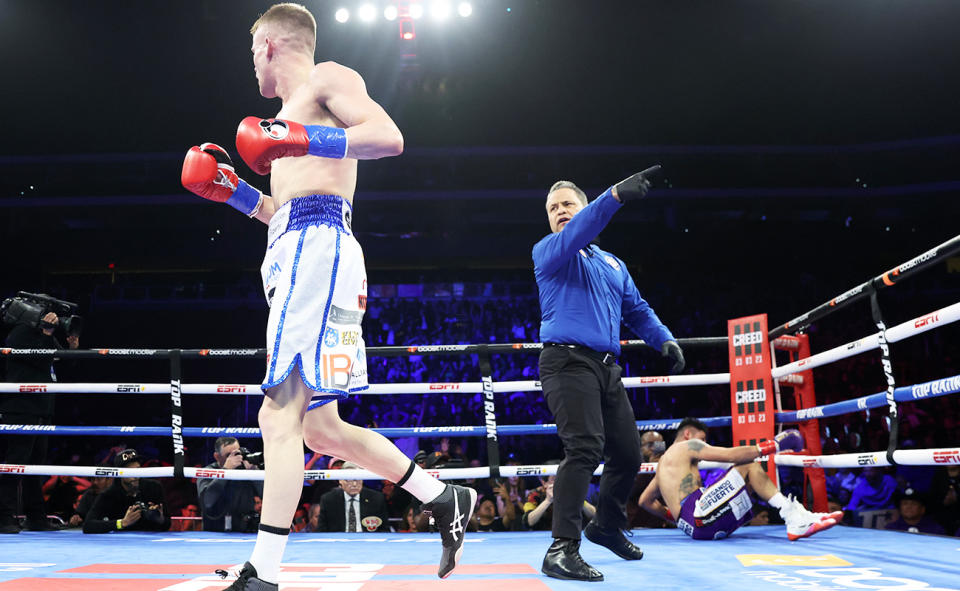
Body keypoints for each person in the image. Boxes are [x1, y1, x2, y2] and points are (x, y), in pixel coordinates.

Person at [180, 5, 474, 587]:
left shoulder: (327, 79)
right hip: (300, 248)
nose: (251, 64)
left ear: (267, 45)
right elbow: (280, 211)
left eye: (251, 51)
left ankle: (263, 571)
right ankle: (440, 496)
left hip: (319, 249)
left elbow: (388, 138)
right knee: (319, 428)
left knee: (277, 413)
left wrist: (297, 136)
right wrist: (234, 191)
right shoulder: (281, 125)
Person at [532, 173, 685, 581]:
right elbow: (582, 230)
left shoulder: (613, 264)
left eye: (567, 204)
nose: (560, 211)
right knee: (583, 448)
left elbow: (636, 309)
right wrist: (615, 195)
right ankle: (561, 548)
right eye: (553, 208)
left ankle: (606, 525)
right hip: (566, 362)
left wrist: (664, 340)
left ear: (582, 207)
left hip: (606, 367)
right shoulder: (550, 250)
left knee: (628, 453)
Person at [638, 418, 842, 542]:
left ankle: (798, 516)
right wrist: (773, 446)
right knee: (749, 465)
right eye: (702, 440)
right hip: (699, 515)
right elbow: (731, 456)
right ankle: (792, 518)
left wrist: (678, 519)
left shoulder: (664, 465)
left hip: (696, 527)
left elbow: (645, 501)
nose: (703, 446)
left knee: (747, 484)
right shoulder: (687, 445)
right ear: (688, 434)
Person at [0, 311, 79, 533]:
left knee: (35, 467)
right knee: (15, 464)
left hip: (42, 408)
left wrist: (72, 348)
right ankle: (3, 516)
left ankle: (36, 517)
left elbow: (56, 359)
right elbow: (38, 356)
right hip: (22, 408)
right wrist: (46, 332)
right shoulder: (20, 332)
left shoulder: (44, 335)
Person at [82, 449, 171, 534]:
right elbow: (88, 526)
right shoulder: (109, 494)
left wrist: (160, 519)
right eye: (130, 471)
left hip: (151, 542)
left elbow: (167, 524)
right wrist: (122, 523)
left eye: (137, 470)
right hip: (121, 544)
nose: (135, 476)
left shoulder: (154, 487)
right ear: (120, 474)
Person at [197, 437, 264, 532]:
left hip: (246, 533)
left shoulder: (247, 470)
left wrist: (254, 474)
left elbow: (268, 497)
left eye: (237, 453)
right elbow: (207, 502)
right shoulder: (207, 472)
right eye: (229, 455)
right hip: (215, 534)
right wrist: (225, 471)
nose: (235, 458)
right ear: (217, 456)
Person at [315, 461, 390, 532]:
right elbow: (321, 530)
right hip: (339, 542)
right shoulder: (328, 500)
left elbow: (384, 529)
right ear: (340, 481)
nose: (354, 484)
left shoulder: (376, 498)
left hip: (368, 541)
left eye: (357, 479)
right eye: (349, 480)